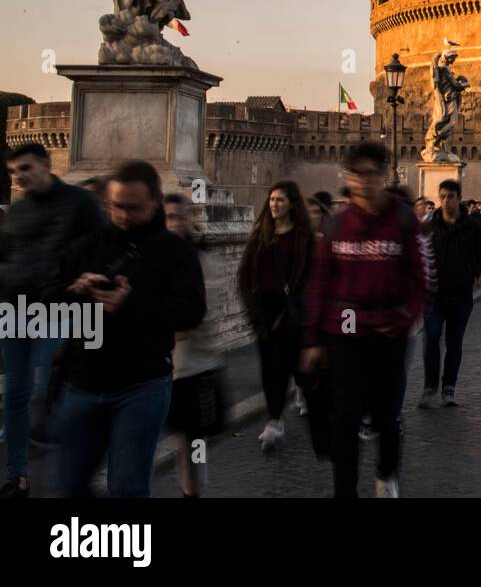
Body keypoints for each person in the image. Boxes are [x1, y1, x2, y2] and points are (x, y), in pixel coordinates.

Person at [43, 161, 205, 498]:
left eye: (133, 207)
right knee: (69, 483)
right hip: (82, 382)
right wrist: (75, 290)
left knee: (127, 486)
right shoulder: (89, 245)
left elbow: (191, 311)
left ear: (155, 201)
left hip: (141, 385)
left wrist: (131, 302)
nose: (123, 216)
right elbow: (46, 301)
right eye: (115, 206)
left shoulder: (176, 252)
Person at [299, 142, 427, 498]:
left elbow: (421, 278)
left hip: (388, 330)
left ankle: (386, 474)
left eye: (372, 173)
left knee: (386, 415)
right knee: (345, 418)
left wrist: (403, 318)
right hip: (346, 328)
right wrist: (311, 340)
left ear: (384, 176)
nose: (365, 181)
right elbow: (319, 282)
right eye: (358, 174)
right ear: (349, 178)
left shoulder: (403, 221)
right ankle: (346, 491)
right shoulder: (336, 224)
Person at [0, 143, 106, 498]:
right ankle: (19, 477)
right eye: (13, 172)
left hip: (61, 311)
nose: (19, 177)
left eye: (25, 168)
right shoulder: (16, 212)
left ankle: (71, 468)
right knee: (14, 396)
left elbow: (103, 247)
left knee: (43, 390)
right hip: (15, 312)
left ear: (46, 164)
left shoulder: (81, 203)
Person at [236, 181, 313, 453]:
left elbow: (311, 277)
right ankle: (275, 419)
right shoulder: (261, 235)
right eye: (271, 200)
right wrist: (251, 308)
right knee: (270, 368)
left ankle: (306, 403)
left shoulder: (304, 237)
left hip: (293, 311)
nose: (274, 204)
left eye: (280, 200)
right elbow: (245, 274)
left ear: (292, 203)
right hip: (265, 312)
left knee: (296, 366)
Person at [163, 195, 226, 497]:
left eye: (178, 216)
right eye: (168, 217)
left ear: (188, 218)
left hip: (195, 364)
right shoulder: (149, 255)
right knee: (181, 436)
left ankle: (193, 489)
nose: (174, 223)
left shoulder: (201, 259)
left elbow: (207, 311)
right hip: (163, 366)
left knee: (193, 437)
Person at [419, 179, 481, 408]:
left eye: (450, 196)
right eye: (442, 196)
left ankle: (449, 388)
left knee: (454, 343)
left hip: (461, 294)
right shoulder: (429, 224)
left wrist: (474, 273)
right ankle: (430, 386)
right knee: (431, 339)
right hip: (434, 294)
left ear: (459, 198)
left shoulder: (473, 226)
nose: (446, 201)